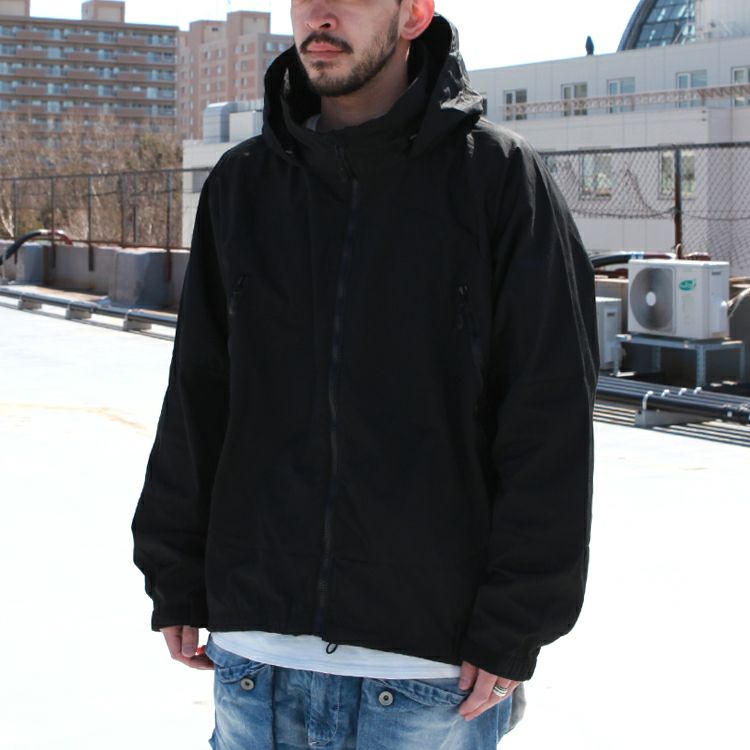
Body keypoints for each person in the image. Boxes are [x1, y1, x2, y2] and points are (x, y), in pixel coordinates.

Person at [132, 1, 598, 748]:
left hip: (428, 675)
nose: (318, 14)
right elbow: (197, 393)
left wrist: (517, 620)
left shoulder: (498, 179)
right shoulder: (242, 184)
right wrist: (174, 571)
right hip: (253, 661)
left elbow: (550, 413)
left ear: (413, 15)